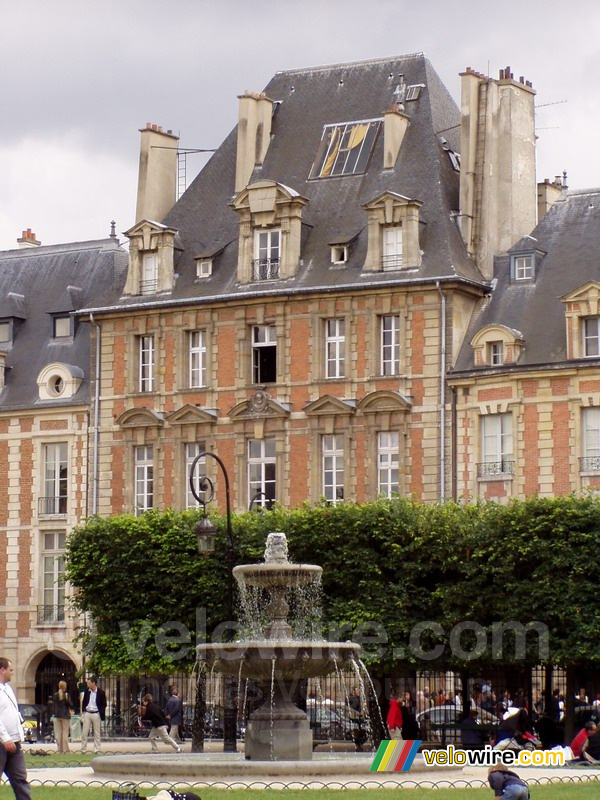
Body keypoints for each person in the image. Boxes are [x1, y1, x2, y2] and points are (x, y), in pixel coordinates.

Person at [0, 656, 32, 800]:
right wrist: (5, 738)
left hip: (14, 743)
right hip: (2, 742)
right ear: (2, 670)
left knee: (20, 779)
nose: (12, 673)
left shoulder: (8, 689)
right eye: (10, 670)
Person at [80, 675, 107, 753]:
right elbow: (84, 701)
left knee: (97, 733)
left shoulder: (101, 692)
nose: (88, 685)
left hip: (96, 713)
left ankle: (96, 749)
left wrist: (100, 711)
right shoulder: (87, 691)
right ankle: (83, 749)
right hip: (88, 713)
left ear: (94, 683)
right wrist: (83, 711)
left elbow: (104, 704)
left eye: (89, 683)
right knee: (84, 732)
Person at [53, 680, 73, 753]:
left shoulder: (55, 695)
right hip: (65, 715)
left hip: (58, 715)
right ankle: (65, 749)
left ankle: (59, 749)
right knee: (65, 732)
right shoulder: (66, 695)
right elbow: (70, 704)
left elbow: (55, 705)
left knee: (59, 732)